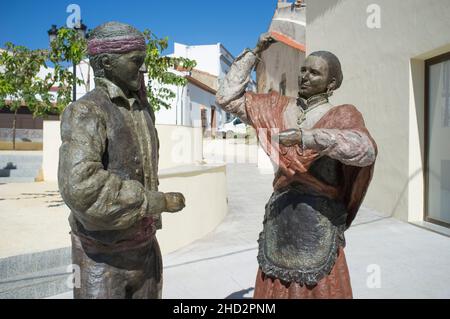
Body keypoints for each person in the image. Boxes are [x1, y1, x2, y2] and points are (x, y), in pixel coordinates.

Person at [216, 34, 377, 299]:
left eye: (315, 73)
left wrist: (308, 137)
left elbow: (365, 149)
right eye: (303, 70)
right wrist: (255, 52)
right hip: (281, 217)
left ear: (331, 83)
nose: (305, 76)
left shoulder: (342, 115)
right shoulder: (276, 108)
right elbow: (226, 99)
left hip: (319, 221)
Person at [58, 21, 185, 299]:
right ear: (106, 63)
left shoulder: (142, 109)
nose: (143, 69)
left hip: (145, 251)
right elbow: (81, 187)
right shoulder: (87, 111)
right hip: (101, 259)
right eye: (136, 61)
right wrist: (155, 202)